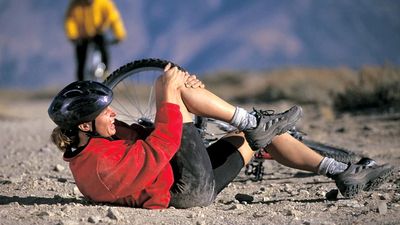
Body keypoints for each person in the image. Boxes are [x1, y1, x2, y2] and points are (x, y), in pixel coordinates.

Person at [48, 64, 394, 209]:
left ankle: (343, 173)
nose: (113, 113)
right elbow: (163, 145)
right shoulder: (98, 167)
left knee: (253, 139)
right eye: (104, 111)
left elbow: (150, 139)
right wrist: (171, 93)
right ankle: (253, 120)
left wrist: (184, 99)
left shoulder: (101, 139)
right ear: (83, 126)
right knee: (167, 84)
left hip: (182, 178)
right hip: (185, 191)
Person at [64, 0, 127, 81]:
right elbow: (70, 20)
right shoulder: (76, 4)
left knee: (103, 50)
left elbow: (114, 18)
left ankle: (105, 75)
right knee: (81, 61)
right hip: (82, 36)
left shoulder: (104, 3)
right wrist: (73, 35)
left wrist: (119, 35)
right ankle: (80, 84)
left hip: (98, 33)